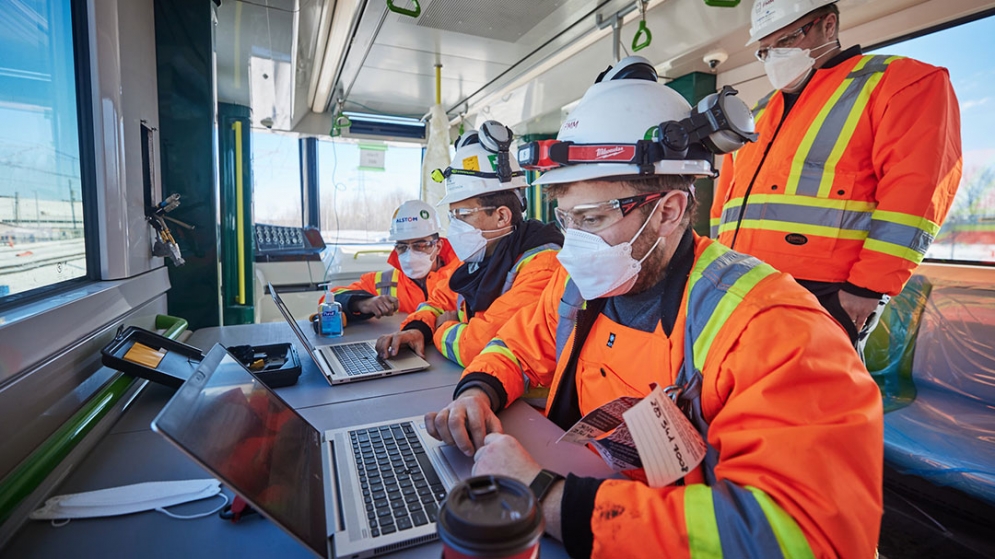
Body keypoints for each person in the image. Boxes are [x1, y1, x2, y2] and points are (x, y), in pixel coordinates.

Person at [426, 57, 883, 558]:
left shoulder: (776, 330)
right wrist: (478, 390)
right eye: (563, 217)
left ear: (668, 210)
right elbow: (515, 345)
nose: (572, 242)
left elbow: (804, 537)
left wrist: (546, 497)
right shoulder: (579, 279)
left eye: (592, 217)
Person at [710, 0, 961, 350]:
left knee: (814, 399)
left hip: (826, 290)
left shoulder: (900, 82)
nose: (775, 57)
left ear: (828, 25)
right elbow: (727, 200)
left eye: (786, 41)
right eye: (765, 50)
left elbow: (916, 195)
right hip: (740, 281)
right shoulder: (761, 110)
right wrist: (716, 267)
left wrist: (867, 288)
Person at [375, 123, 563, 366]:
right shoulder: (482, 257)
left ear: (502, 216)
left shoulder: (542, 267)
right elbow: (438, 301)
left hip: (529, 401)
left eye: (463, 214)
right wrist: (417, 329)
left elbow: (478, 346)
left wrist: (444, 328)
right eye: (452, 216)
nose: (455, 227)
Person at [320, 200, 459, 322]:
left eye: (420, 246)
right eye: (402, 247)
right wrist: (362, 303)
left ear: (438, 246)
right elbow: (327, 300)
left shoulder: (462, 278)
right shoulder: (384, 282)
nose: (410, 255)